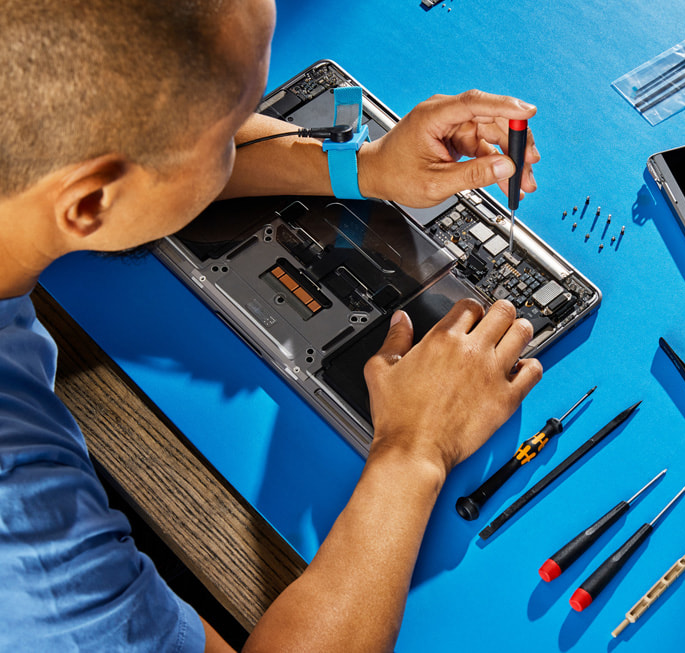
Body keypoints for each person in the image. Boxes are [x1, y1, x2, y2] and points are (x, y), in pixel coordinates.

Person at [0, 1, 543, 651]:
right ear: (89, 203)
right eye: (229, 127)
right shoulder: (29, 531)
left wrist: (358, 166)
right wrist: (415, 451)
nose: (252, 131)